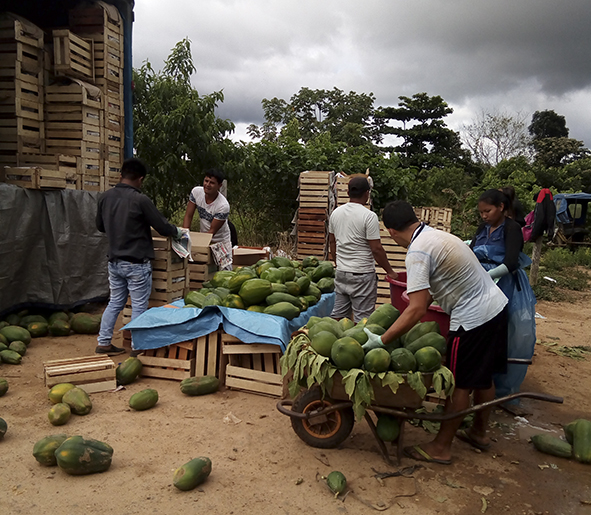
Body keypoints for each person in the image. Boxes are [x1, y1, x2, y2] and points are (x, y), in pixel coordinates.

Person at [363, 200, 508, 464]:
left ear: (391, 232)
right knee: (483, 377)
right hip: (496, 308)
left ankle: (441, 447)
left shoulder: (418, 251)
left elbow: (417, 308)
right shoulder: (437, 235)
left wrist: (382, 340)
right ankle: (479, 432)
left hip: (473, 320)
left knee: (459, 384)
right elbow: (428, 294)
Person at [96, 158, 182, 356]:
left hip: (115, 261)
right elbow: (162, 227)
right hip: (136, 263)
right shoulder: (140, 200)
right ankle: (137, 347)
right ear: (140, 179)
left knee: (115, 302)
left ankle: (104, 342)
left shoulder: (105, 197)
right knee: (139, 306)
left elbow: (100, 226)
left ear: (121, 175)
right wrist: (177, 232)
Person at [471, 189, 537, 401]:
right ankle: (477, 379)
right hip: (481, 283)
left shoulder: (512, 229)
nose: (484, 216)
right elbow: (472, 250)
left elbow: (510, 262)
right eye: (481, 212)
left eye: (487, 211)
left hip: (504, 283)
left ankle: (497, 386)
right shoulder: (483, 228)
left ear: (501, 207)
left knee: (502, 332)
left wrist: (487, 276)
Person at [328, 175, 397, 322]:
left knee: (339, 317)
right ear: (367, 193)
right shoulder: (369, 216)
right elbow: (376, 249)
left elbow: (332, 243)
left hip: (341, 272)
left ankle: (336, 342)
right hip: (362, 274)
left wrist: (338, 263)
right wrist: (390, 271)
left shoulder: (335, 213)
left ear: (348, 193)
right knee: (362, 320)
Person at [183, 168, 232, 270]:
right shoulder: (196, 192)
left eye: (212, 183)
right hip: (204, 237)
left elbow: (211, 232)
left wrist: (199, 246)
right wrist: (185, 236)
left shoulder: (223, 206)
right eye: (206, 181)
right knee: (200, 272)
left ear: (219, 186)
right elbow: (188, 215)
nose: (207, 185)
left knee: (225, 274)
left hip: (220, 243)